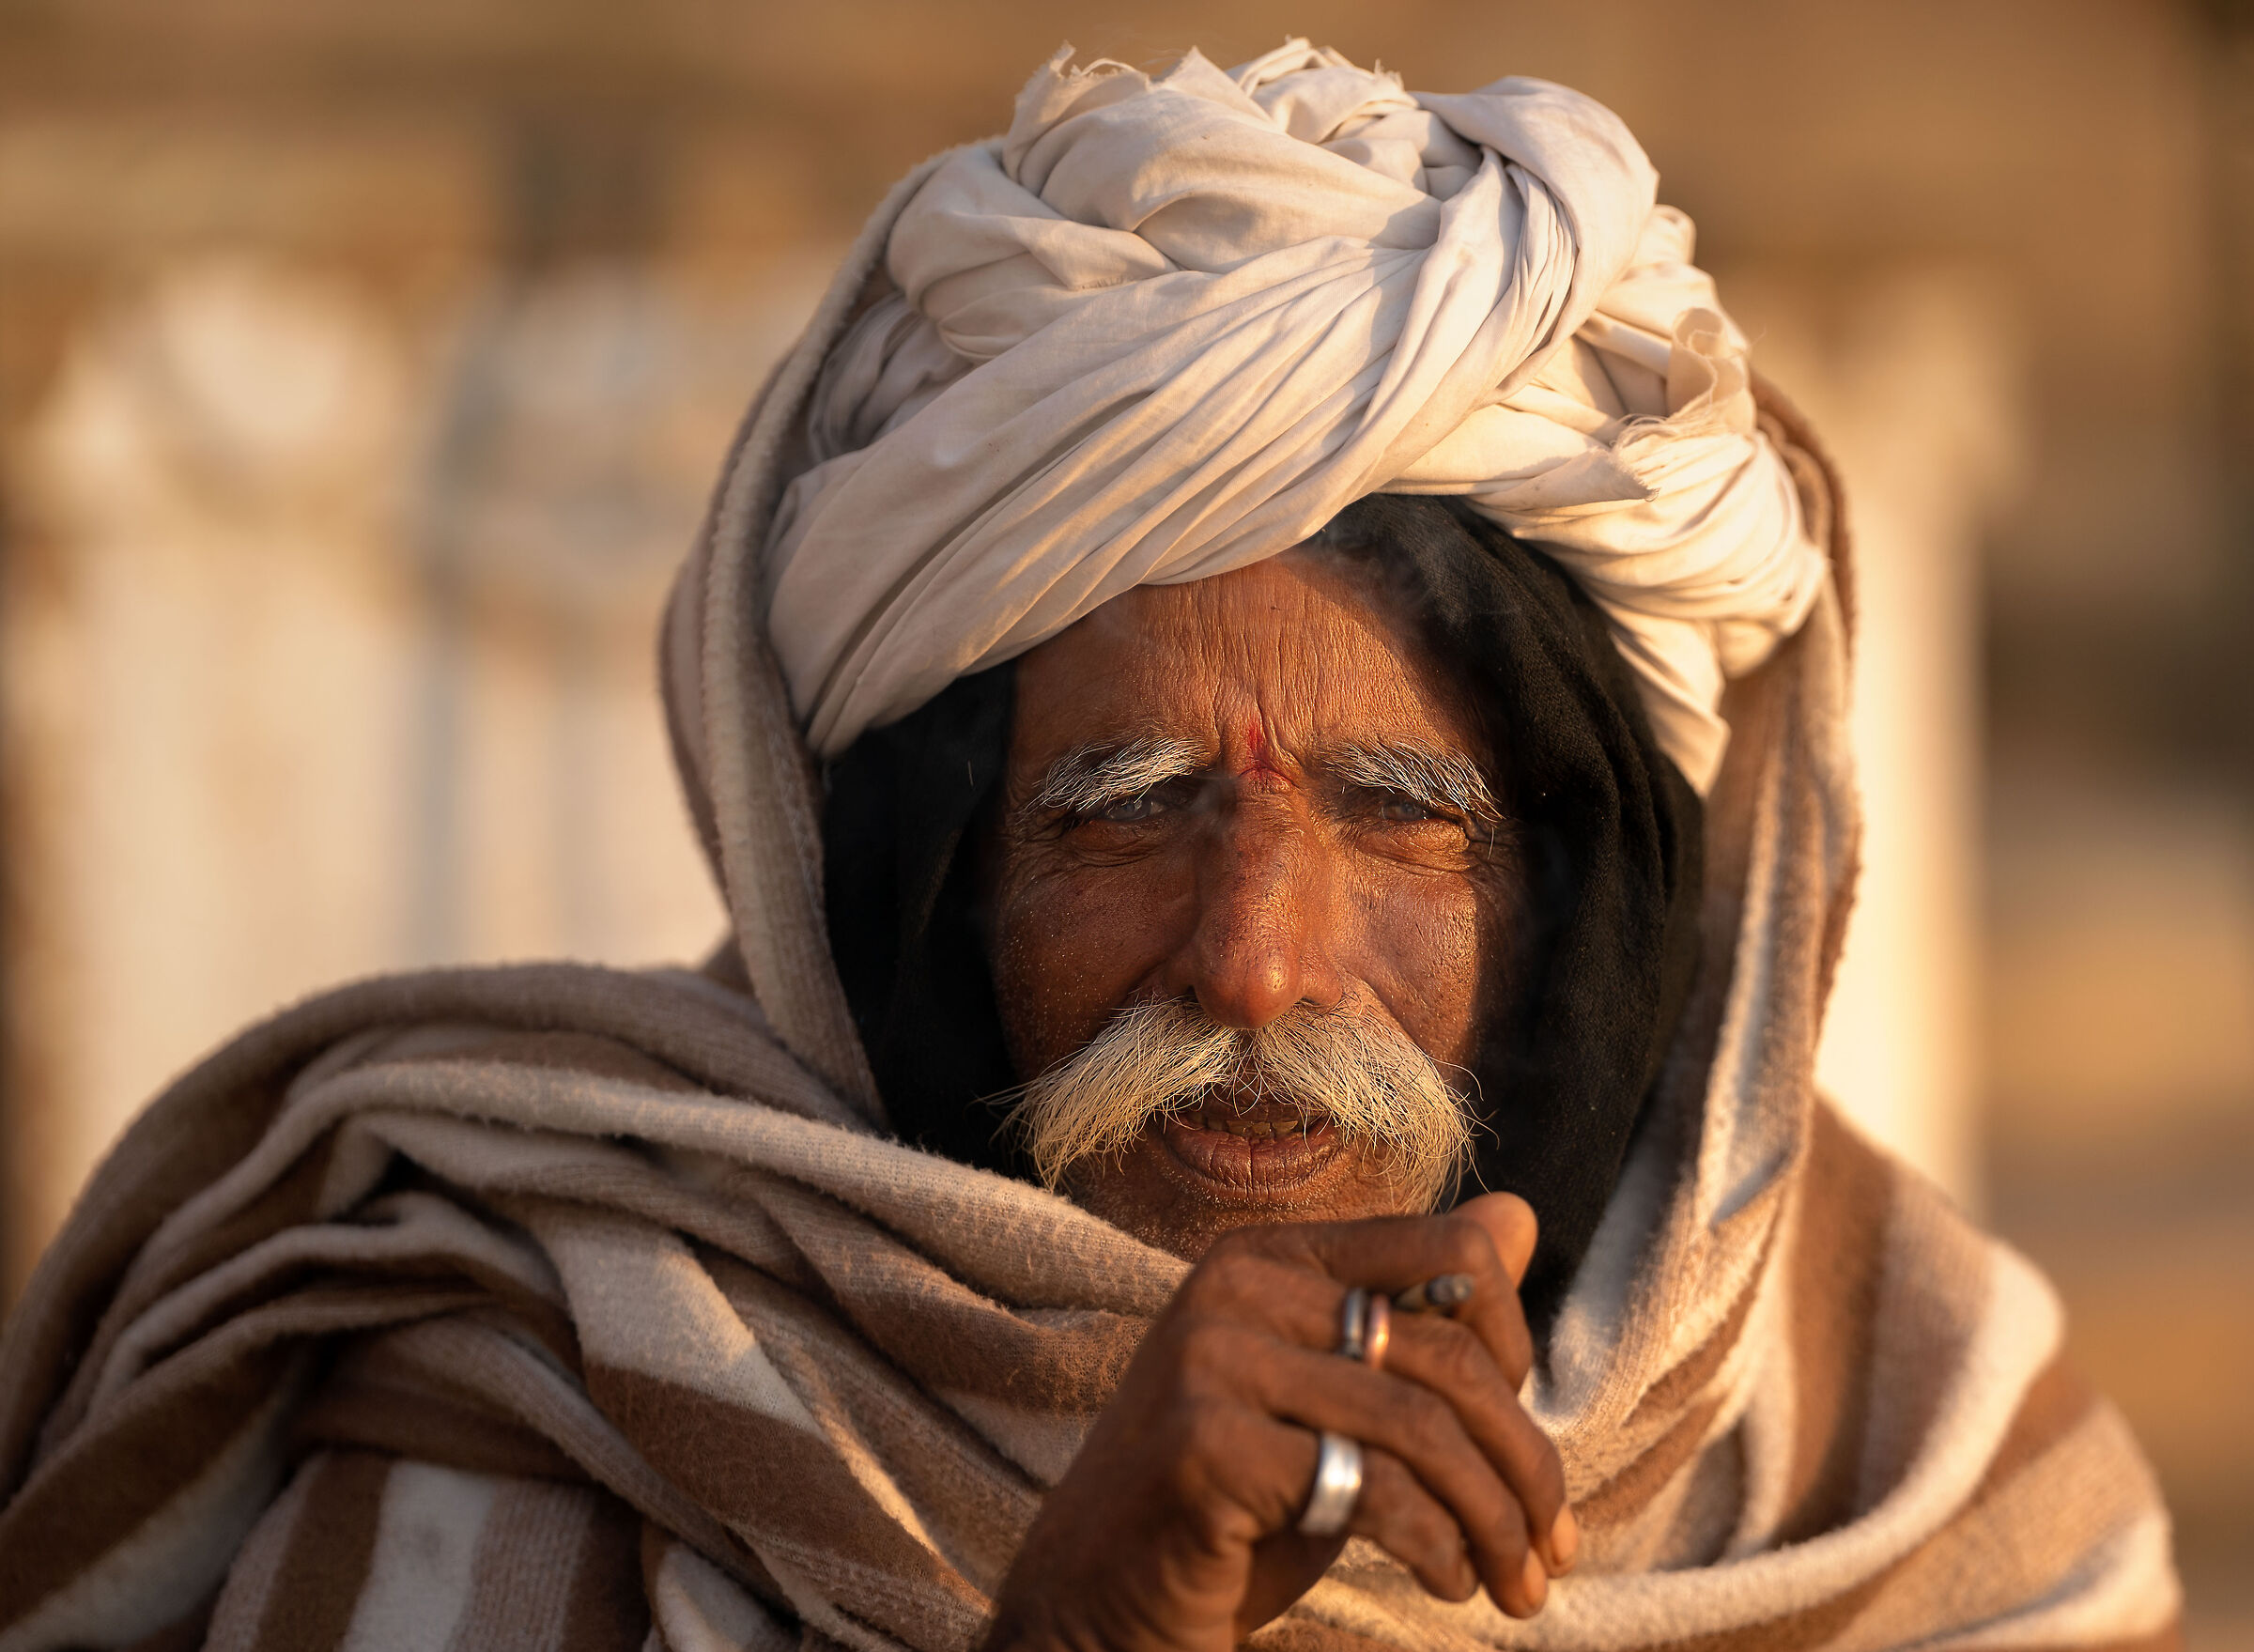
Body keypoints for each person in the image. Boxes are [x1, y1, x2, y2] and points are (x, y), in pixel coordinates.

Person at [0, 40, 2178, 1652]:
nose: (1252, 961)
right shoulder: (524, 1393)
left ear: (1586, 903)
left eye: (1407, 822)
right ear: (923, 877)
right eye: (1126, 814)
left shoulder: (1900, 1457)